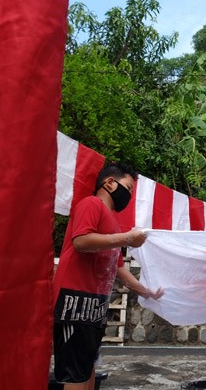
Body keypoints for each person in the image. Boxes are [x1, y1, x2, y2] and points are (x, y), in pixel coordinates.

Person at [52, 162, 164, 390]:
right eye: (128, 188)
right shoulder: (91, 204)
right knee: (75, 374)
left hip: (95, 307)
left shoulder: (112, 222)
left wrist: (147, 292)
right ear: (110, 183)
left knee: (88, 368)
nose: (129, 195)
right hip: (75, 301)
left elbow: (118, 268)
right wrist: (127, 238)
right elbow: (81, 241)